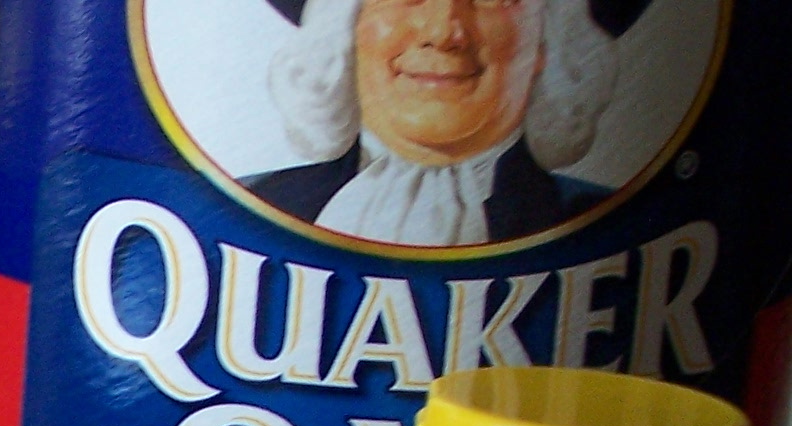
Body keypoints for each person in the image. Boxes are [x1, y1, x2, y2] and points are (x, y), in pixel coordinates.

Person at [250, 0, 623, 247]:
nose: (443, 32)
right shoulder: (264, 198)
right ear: (345, 24)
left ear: (547, 39)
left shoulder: (602, 222)